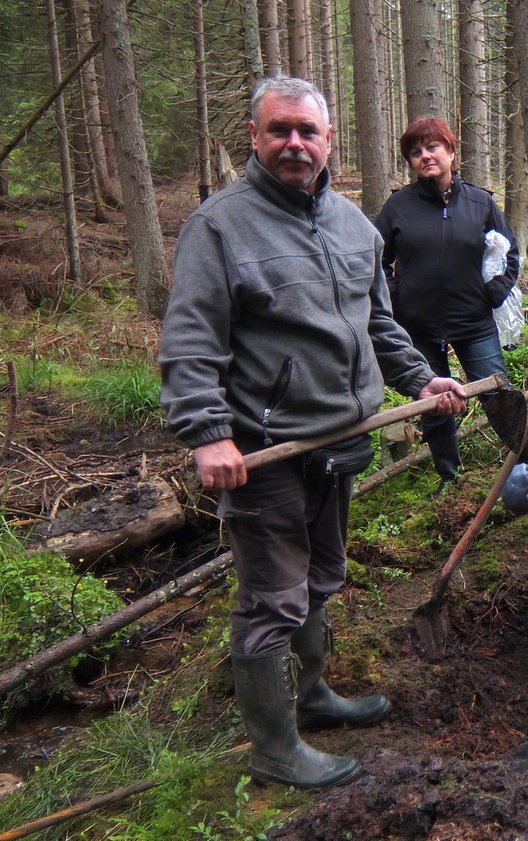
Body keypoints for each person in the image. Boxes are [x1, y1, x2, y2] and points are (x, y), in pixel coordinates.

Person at [159, 77, 468, 789]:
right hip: (266, 449)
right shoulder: (220, 226)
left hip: (341, 439)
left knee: (322, 577)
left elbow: (380, 324)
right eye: (280, 130)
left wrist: (423, 380)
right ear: (255, 136)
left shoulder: (354, 224)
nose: (295, 143)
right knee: (272, 597)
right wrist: (208, 432)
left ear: (329, 142)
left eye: (308, 131)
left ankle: (314, 696)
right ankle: (274, 749)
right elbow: (190, 340)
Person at [375, 116, 528, 494]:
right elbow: (377, 262)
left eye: (433, 148)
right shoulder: (399, 206)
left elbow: (510, 251)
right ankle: (450, 478)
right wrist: (397, 296)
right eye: (416, 152)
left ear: (451, 151)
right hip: (418, 326)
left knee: (499, 394)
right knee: (434, 404)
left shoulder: (480, 202)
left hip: (474, 322)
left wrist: (493, 292)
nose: (425, 157)